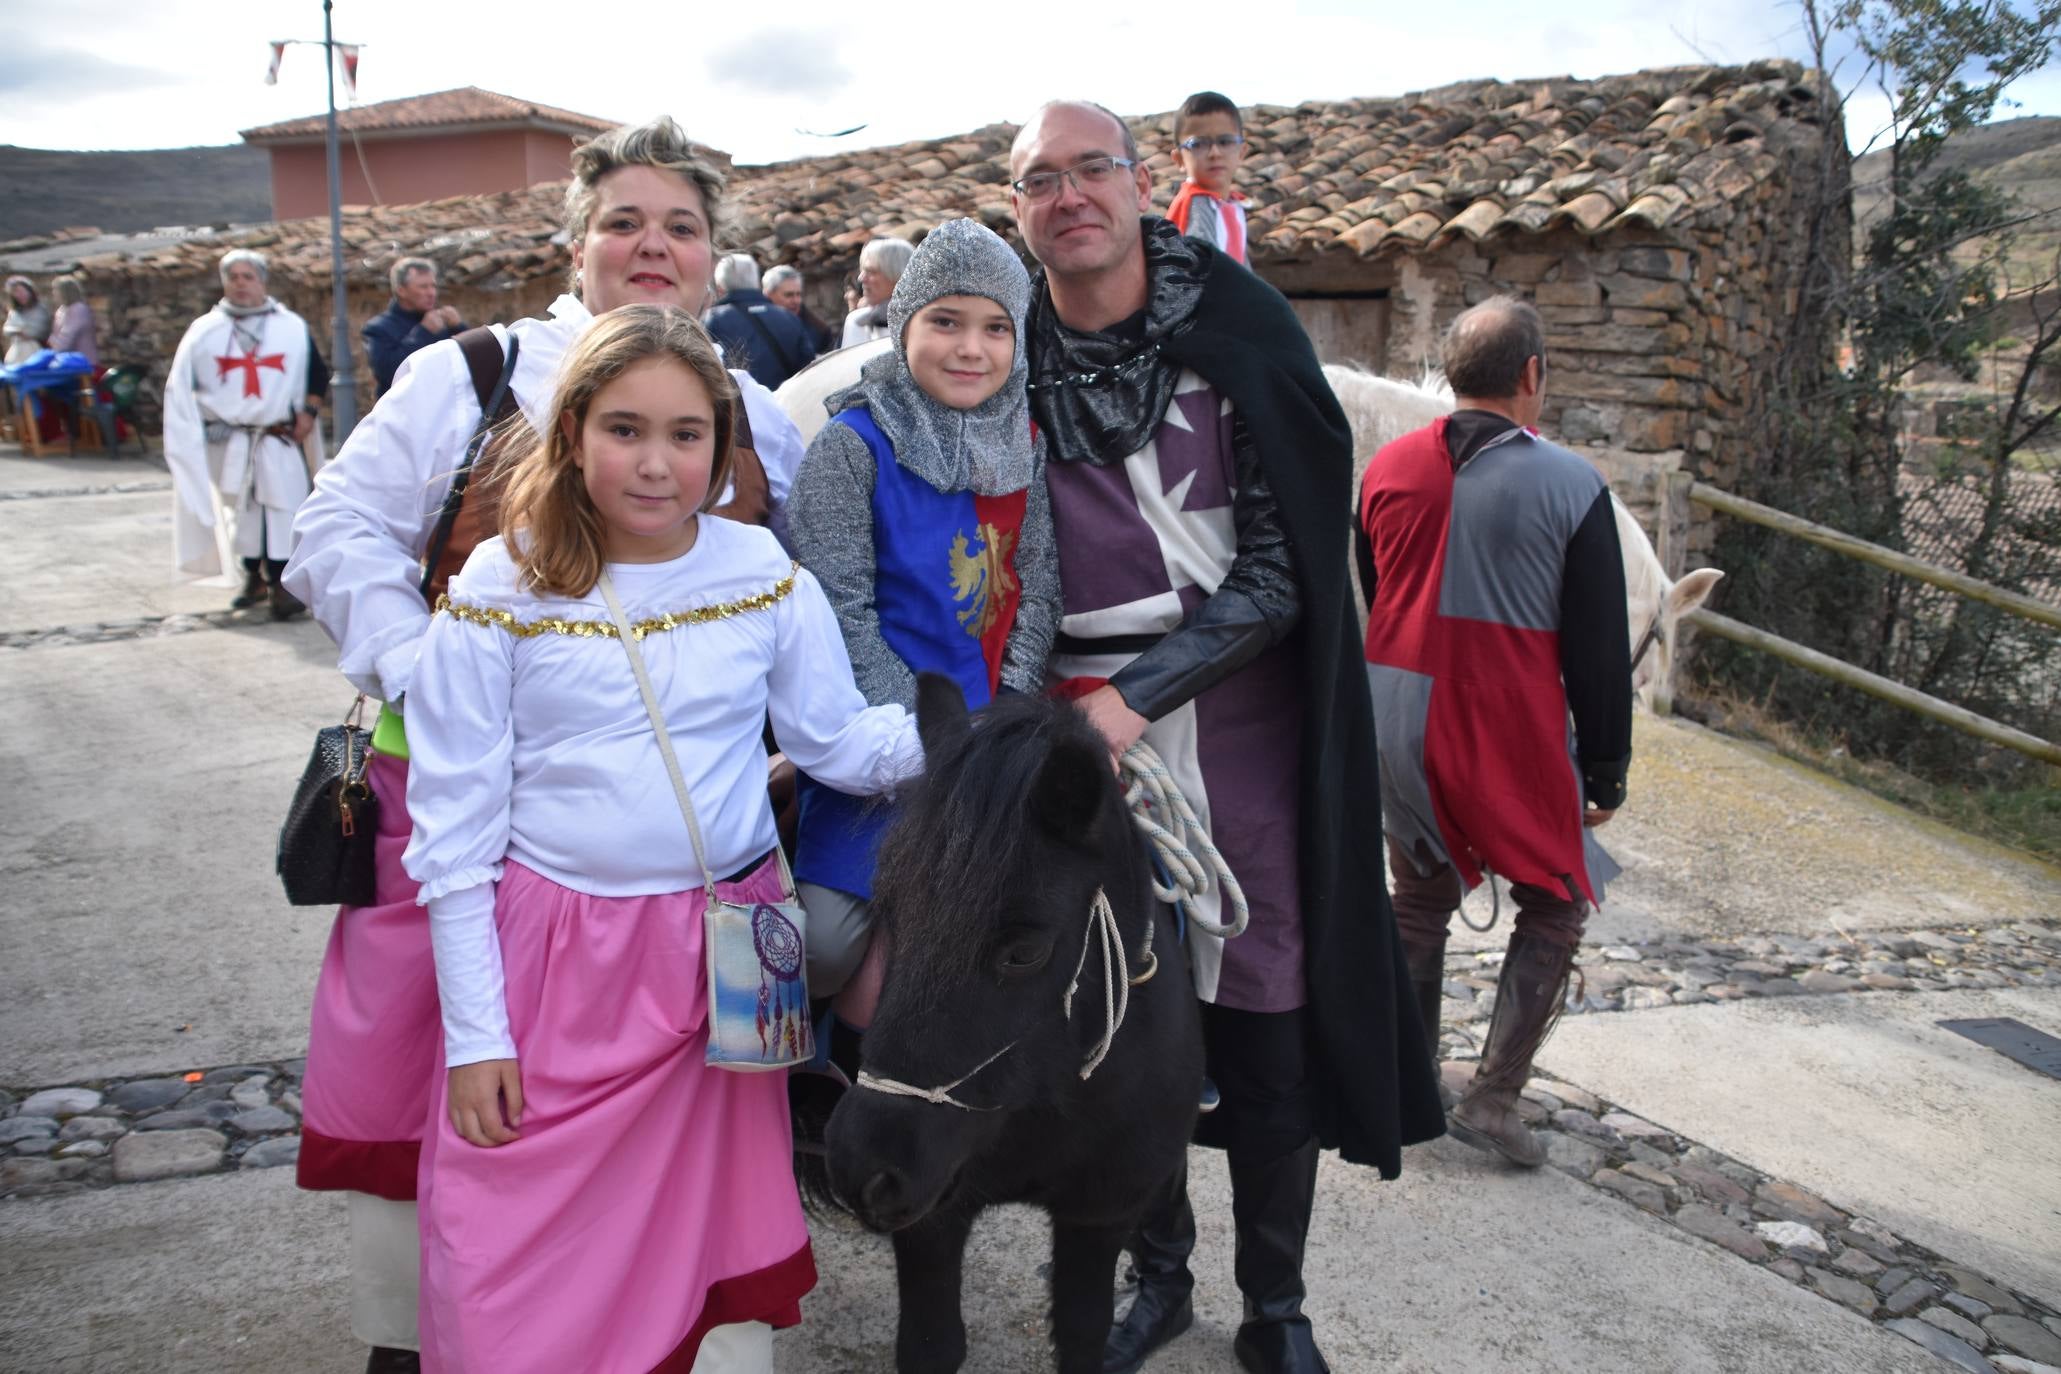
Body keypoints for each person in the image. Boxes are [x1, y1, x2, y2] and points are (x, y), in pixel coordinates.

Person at [281, 115, 807, 1374]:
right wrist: (439, 669)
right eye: (622, 220)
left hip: (654, 844)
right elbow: (335, 529)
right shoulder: (471, 375)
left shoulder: (756, 420)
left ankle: (674, 1319)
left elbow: (797, 605)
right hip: (448, 809)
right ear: (575, 244)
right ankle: (428, 1334)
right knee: (447, 1073)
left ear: (711, 254)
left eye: (679, 225)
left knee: (692, 1107)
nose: (650, 245)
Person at [1008, 100, 1444, 1374]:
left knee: (1264, 1019)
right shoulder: (1001, 350)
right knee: (1112, 1021)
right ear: (1020, 207)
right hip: (1071, 730)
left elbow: (1282, 569)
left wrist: (1133, 700)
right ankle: (1161, 1275)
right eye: (1042, 178)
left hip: (1239, 722)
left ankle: (1277, 1306)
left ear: (1145, 185)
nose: (1071, 193)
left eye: (1094, 167)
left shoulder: (1241, 331)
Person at [406, 303, 922, 1373]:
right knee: (507, 1246)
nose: (656, 465)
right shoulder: (501, 589)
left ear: (721, 446)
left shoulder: (763, 576)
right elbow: (453, 839)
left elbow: (836, 744)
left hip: (719, 970)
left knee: (703, 1258)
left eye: (686, 435)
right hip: (556, 969)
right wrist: (476, 1039)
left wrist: (979, 732)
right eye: (625, 430)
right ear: (573, 432)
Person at [1356, 295, 1631, 1169]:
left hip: (1391, 716)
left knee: (1419, 899)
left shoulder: (1387, 467)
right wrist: (1607, 771)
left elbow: (1373, 589)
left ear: (1447, 375)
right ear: (1532, 376)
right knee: (1556, 899)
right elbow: (1596, 649)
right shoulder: (1572, 484)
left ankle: (1402, 1083)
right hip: (1497, 715)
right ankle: (1494, 1099)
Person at [786, 217, 1059, 1052]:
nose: (969, 348)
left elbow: (1036, 587)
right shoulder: (852, 446)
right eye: (945, 321)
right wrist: (927, 742)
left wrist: (1005, 721)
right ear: (902, 323)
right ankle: (805, 1075)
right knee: (827, 945)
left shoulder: (1026, 443)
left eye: (994, 327)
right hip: (876, 746)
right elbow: (840, 614)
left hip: (988, 747)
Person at [161, 249, 328, 619]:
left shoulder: (291, 327)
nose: (240, 283)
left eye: (247, 276)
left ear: (262, 281)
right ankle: (252, 579)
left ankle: (283, 586)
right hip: (232, 439)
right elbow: (180, 388)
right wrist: (192, 436)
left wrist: (309, 413)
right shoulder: (205, 331)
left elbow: (317, 373)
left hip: (278, 437)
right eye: (233, 276)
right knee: (243, 513)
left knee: (285, 508)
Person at [705, 252, 816, 389]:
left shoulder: (711, 320)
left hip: (739, 407)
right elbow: (809, 369)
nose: (796, 300)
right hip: (785, 406)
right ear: (756, 282)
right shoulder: (789, 318)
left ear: (720, 286)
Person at [1165, 91, 1249, 265]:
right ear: (1179, 159)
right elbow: (1204, 269)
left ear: (1242, 152)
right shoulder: (1196, 204)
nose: (1214, 153)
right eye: (1198, 144)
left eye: (1225, 142)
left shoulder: (1233, 204)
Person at [362, 258, 464, 397]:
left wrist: (459, 328)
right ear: (402, 291)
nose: (431, 293)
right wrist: (424, 332)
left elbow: (469, 363)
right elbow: (389, 372)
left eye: (433, 286)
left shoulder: (444, 323)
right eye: (423, 287)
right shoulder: (378, 328)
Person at [838, 237, 915, 348]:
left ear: (898, 275)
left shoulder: (922, 324)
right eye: (862, 271)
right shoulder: (856, 322)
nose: (861, 278)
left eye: (870, 272)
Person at [765, 264, 837, 354]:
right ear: (768, 295)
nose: (796, 301)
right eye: (789, 295)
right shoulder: (755, 326)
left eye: (798, 294)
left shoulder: (818, 331)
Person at [48, 276, 98, 363]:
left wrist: (55, 345)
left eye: (56, 290)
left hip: (82, 362)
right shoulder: (61, 310)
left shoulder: (79, 309)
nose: (53, 293)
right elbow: (54, 336)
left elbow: (66, 339)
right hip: (65, 361)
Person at [4, 276, 51, 364]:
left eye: (21, 291)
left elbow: (39, 332)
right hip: (17, 351)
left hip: (36, 352)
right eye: (15, 292)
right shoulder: (15, 312)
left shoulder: (40, 309)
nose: (19, 295)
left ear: (29, 290)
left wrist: (23, 332)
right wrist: (16, 331)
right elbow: (7, 328)